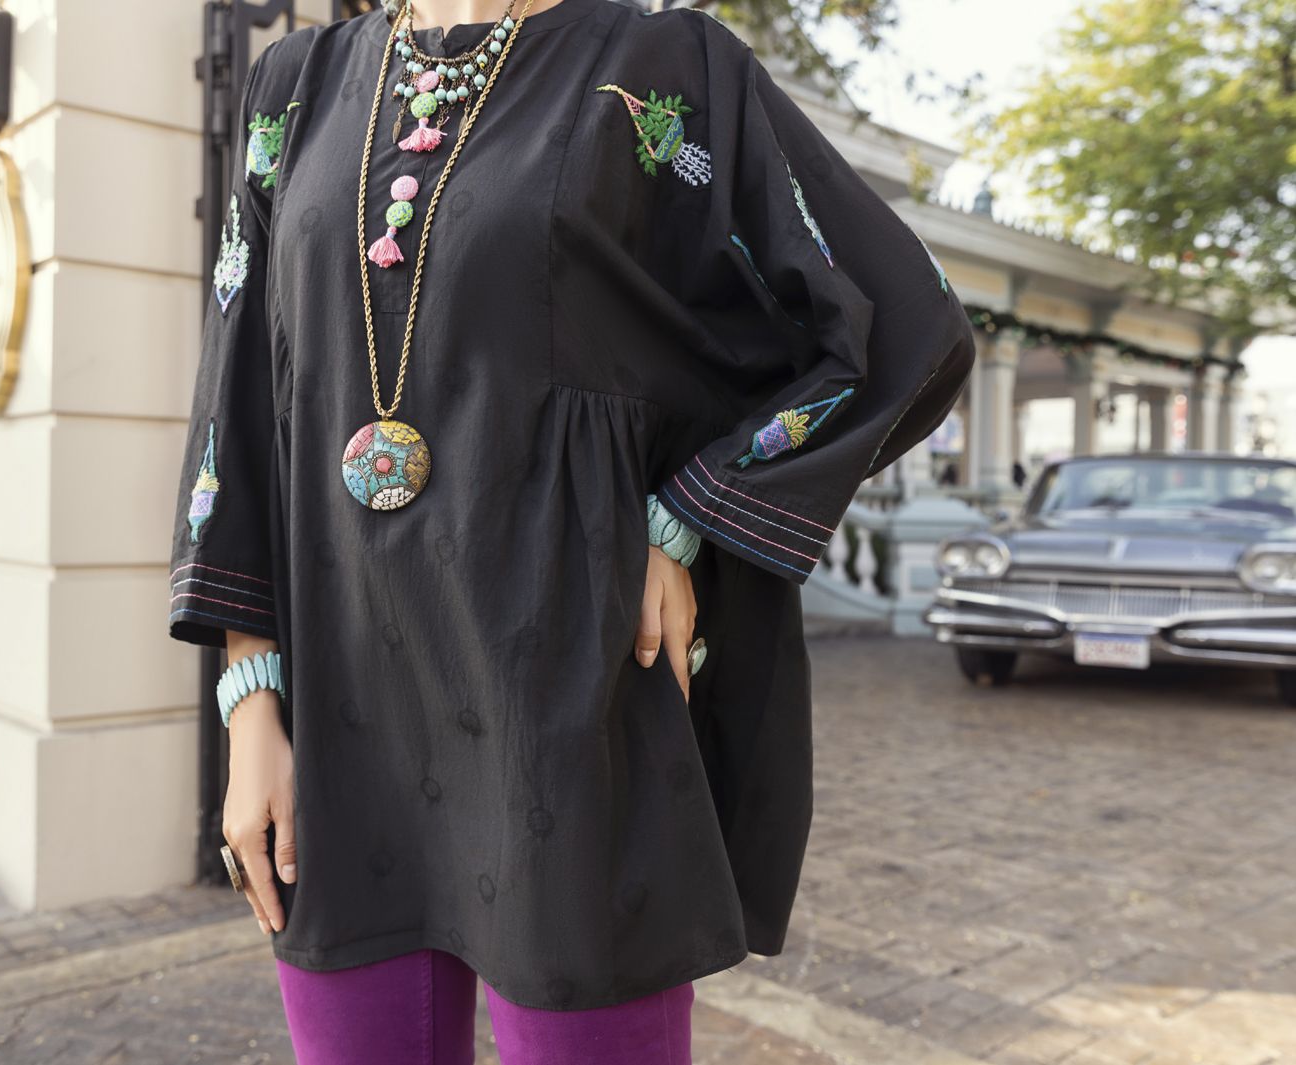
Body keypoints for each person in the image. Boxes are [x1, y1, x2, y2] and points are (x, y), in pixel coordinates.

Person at [166, 0, 976, 1058]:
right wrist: (248, 700)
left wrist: (693, 515)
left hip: (571, 701)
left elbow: (903, 326)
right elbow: (236, 397)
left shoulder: (666, 70)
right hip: (340, 716)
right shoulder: (296, 86)